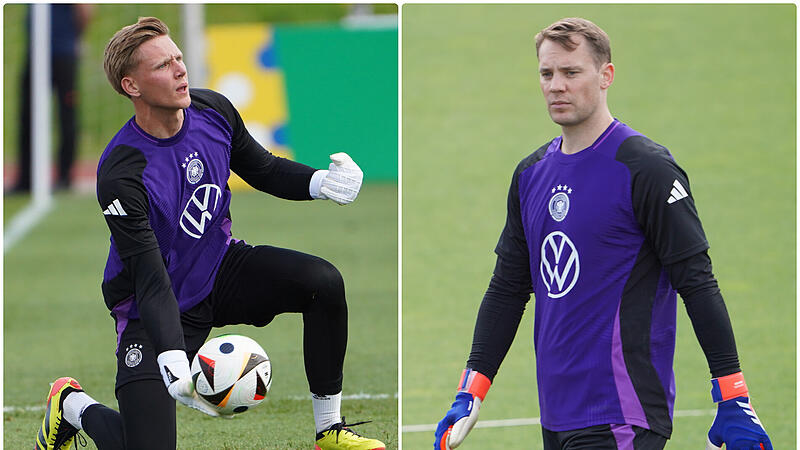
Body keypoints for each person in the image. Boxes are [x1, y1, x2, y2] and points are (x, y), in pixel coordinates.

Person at [34, 17, 385, 450]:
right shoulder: (122, 172)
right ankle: (70, 405)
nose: (180, 69)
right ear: (132, 86)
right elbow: (149, 274)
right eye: (163, 65)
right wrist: (171, 356)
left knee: (322, 283)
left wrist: (320, 184)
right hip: (153, 308)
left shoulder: (212, 111)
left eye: (178, 57)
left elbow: (264, 168)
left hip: (221, 268)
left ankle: (329, 430)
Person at [434, 18, 771, 450]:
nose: (557, 85)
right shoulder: (530, 175)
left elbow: (697, 281)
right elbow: (507, 289)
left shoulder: (646, 167)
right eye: (547, 73)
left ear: (605, 75)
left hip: (623, 412)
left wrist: (734, 395)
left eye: (571, 72)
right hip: (556, 413)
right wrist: (471, 388)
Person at [13, 4, 94, 193]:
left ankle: (64, 177)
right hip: (35, 53)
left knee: (66, 114)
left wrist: (76, 39)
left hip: (63, 54)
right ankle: (26, 179)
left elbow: (85, 9)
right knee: (28, 115)